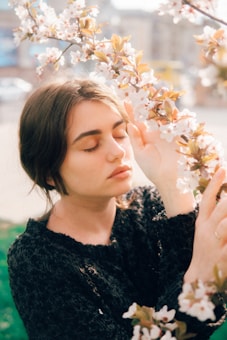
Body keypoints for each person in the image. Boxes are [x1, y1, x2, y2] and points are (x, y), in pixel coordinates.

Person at [7, 78, 227, 340]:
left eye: (120, 133)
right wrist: (198, 284)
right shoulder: (36, 260)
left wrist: (173, 187)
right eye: (91, 145)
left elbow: (209, 310)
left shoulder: (152, 206)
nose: (117, 152)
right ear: (49, 172)